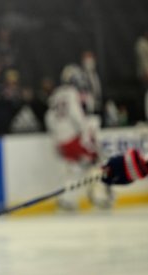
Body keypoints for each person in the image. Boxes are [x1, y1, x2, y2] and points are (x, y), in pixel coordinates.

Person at [45, 64, 112, 211]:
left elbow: (49, 118)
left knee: (75, 169)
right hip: (72, 138)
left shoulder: (56, 93)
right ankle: (98, 195)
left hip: (61, 141)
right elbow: (76, 115)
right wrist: (85, 134)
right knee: (96, 160)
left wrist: (57, 138)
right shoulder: (72, 92)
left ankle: (66, 199)